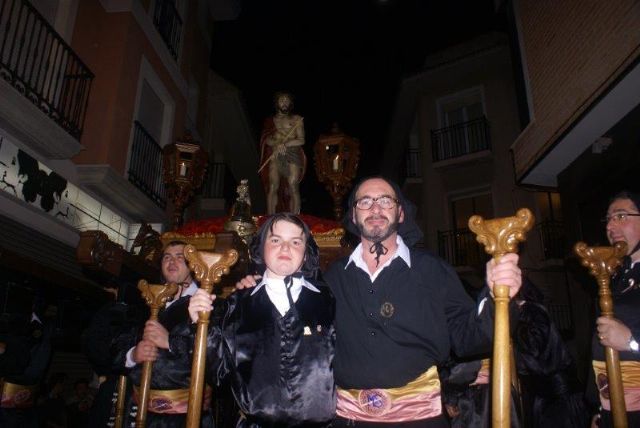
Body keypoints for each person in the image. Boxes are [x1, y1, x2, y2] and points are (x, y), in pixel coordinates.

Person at [239, 176, 523, 427]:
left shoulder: (433, 270)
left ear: (400, 213)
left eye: (385, 200)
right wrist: (259, 291)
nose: (375, 208)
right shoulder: (332, 279)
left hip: (420, 420)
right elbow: (294, 333)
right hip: (346, 420)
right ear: (353, 215)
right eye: (365, 201)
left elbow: (469, 338)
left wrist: (498, 296)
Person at [188, 212, 336, 427]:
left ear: (306, 254)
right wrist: (199, 323)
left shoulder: (329, 301)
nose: (285, 248)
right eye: (275, 240)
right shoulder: (237, 304)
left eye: (295, 242)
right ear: (261, 248)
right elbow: (218, 374)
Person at [112, 240, 213, 427]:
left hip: (184, 418)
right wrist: (133, 354)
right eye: (167, 257)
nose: (171, 261)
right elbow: (114, 349)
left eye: (179, 257)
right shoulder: (144, 304)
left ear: (193, 264)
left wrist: (170, 342)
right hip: (137, 413)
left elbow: (215, 356)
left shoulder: (207, 303)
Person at [589, 190, 640, 427]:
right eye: (608, 218)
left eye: (621, 216)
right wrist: (600, 411)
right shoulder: (612, 276)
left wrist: (631, 342)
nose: (610, 225)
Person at [259, 91, 306, 215]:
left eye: (287, 100)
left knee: (293, 184)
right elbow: (266, 139)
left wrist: (285, 144)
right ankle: (270, 217)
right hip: (276, 154)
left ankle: (295, 217)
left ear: (290, 103)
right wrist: (276, 143)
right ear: (276, 103)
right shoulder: (271, 120)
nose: (284, 103)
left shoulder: (296, 119)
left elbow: (301, 140)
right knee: (273, 186)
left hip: (292, 153)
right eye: (281, 100)